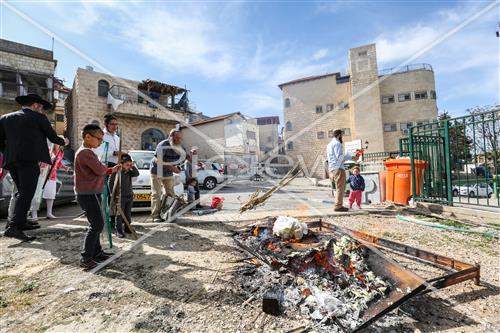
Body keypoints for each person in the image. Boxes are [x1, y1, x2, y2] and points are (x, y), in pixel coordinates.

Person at [0, 94, 68, 241]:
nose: (42, 110)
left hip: (11, 161)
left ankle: (21, 222)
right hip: (29, 161)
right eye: (41, 107)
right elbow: (52, 137)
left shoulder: (5, 118)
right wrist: (64, 141)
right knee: (26, 193)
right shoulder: (39, 118)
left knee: (22, 191)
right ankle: (14, 227)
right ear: (36, 105)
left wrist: (9, 153)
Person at [74, 124, 121, 269]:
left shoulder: (87, 152)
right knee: (96, 225)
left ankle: (97, 252)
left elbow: (99, 170)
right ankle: (86, 257)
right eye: (99, 139)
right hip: (88, 193)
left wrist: (111, 170)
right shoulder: (85, 153)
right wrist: (110, 170)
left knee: (97, 223)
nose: (100, 142)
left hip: (91, 192)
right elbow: (100, 170)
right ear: (88, 137)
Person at [150, 129, 187, 222]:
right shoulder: (163, 145)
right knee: (156, 194)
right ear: (170, 136)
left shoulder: (179, 146)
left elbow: (182, 159)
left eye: (180, 138)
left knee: (170, 194)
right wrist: (172, 168)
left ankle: (167, 214)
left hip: (168, 172)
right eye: (176, 138)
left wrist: (178, 167)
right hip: (156, 172)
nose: (178, 140)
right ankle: (155, 216)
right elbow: (157, 161)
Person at [326, 129, 360, 212]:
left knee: (338, 187)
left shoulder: (329, 144)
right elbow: (340, 157)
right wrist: (352, 157)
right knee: (341, 187)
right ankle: (338, 206)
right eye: (341, 135)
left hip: (332, 168)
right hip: (338, 168)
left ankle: (338, 204)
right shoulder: (337, 144)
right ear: (339, 135)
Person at [108, 154, 139, 238]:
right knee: (119, 215)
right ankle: (119, 230)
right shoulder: (116, 171)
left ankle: (127, 228)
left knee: (128, 214)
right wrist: (112, 194)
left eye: (130, 165)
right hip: (120, 196)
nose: (128, 166)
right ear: (121, 164)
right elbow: (110, 182)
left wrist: (132, 166)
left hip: (129, 195)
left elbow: (137, 173)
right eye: (127, 165)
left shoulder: (129, 171)